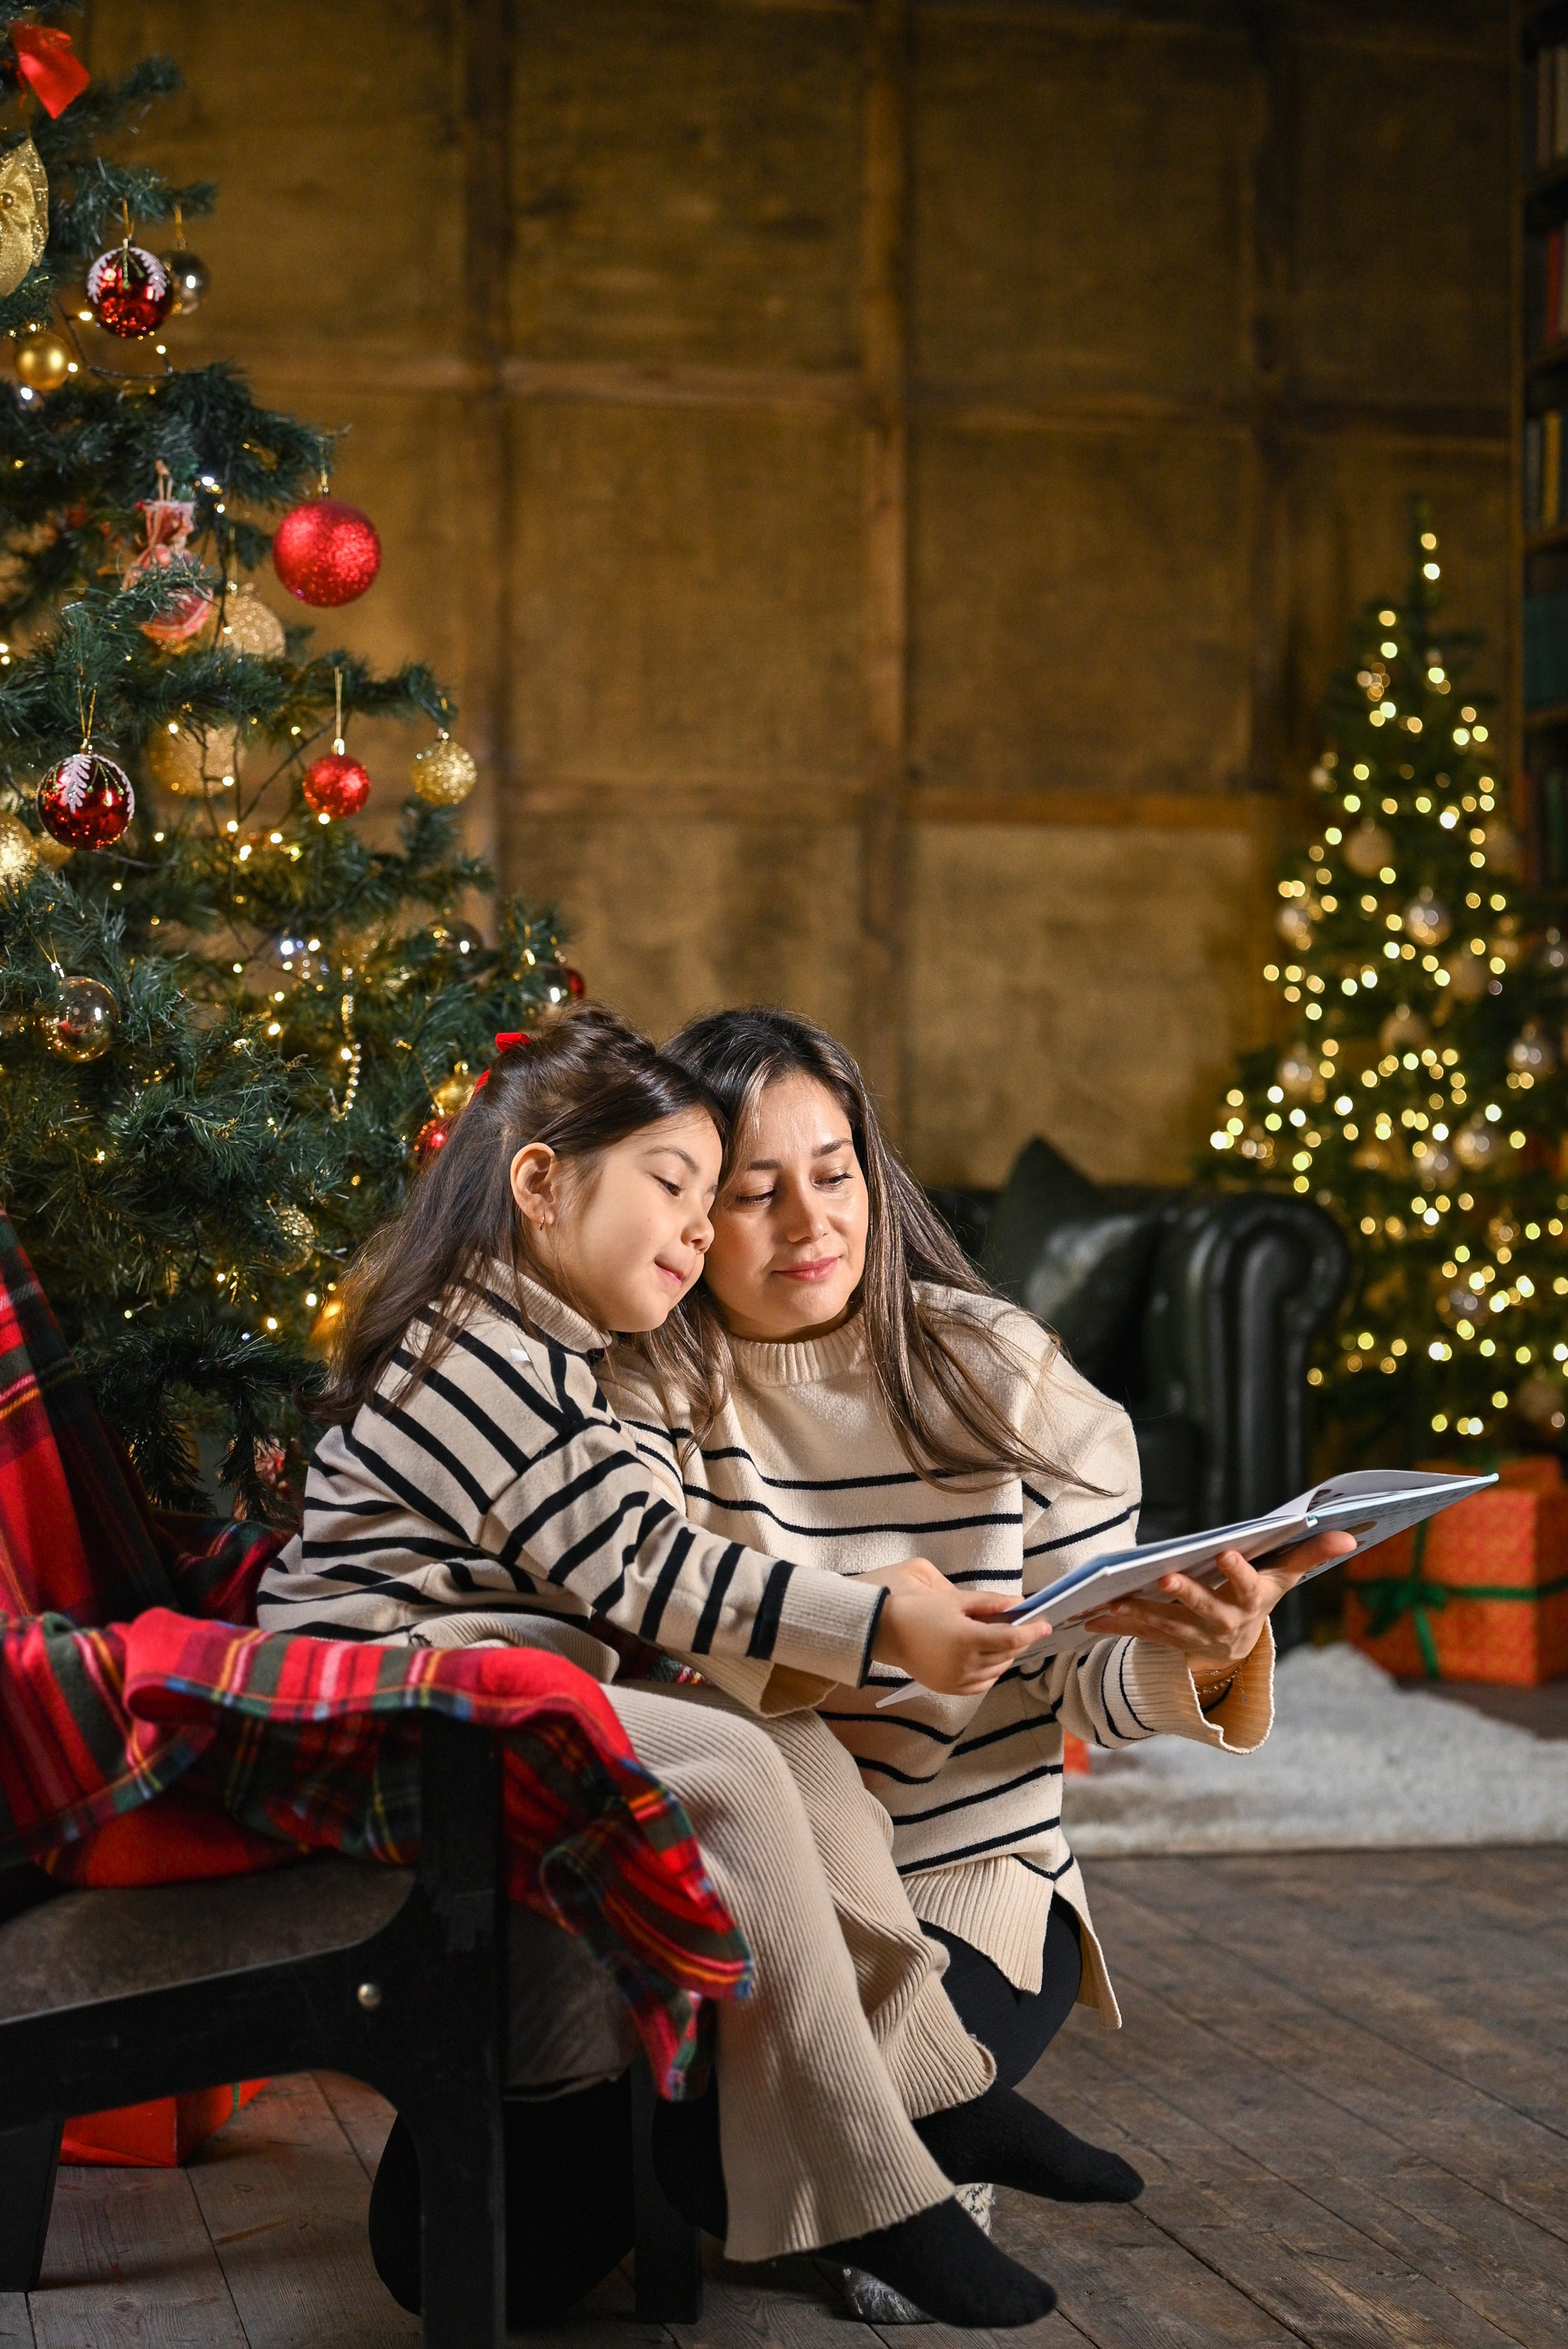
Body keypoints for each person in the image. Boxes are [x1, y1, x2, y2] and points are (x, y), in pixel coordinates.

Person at [256, 1008, 1062, 2328]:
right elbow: (651, 1572)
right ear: (541, 1182)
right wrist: (877, 1625)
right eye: (680, 1189)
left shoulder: (565, 1354)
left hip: (481, 1688)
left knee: (794, 1748)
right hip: (379, 1706)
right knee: (740, 1757)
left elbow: (636, 1553)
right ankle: (883, 2189)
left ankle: (937, 2092)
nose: (698, 1233)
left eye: (710, 1201)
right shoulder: (470, 1354)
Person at [606, 1005, 1354, 2132]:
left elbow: (1078, 1677)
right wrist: (860, 1625)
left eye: (837, 1174)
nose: (812, 1223)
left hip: (969, 1883)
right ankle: (909, 2151)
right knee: (449, 2238)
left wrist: (1207, 1651)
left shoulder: (997, 1371)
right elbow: (634, 1673)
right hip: (733, 1896)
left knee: (768, 2138)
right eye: (757, 1194)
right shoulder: (641, 1395)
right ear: (690, 1216)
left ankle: (913, 2143)